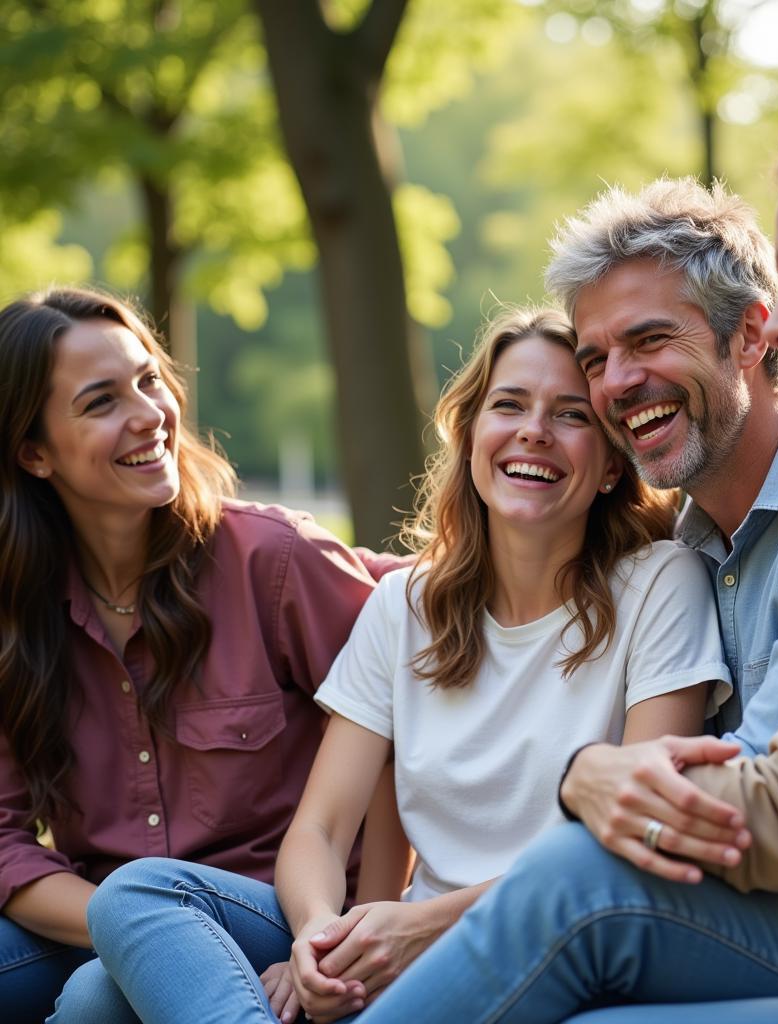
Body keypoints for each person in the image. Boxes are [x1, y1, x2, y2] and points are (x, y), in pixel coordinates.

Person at [349, 95, 778, 1021]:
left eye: (650, 339)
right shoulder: (696, 548)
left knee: (583, 883)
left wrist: (588, 786)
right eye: (597, 356)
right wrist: (587, 778)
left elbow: (763, 802)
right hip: (747, 924)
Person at [75, 306, 731, 1023]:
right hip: (393, 938)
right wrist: (322, 937)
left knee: (95, 1004)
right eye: (508, 404)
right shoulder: (405, 606)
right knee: (132, 899)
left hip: (545, 944)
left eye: (571, 415)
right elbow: (321, 830)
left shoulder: (659, 585)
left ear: (611, 465)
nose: (533, 429)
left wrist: (419, 929)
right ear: (473, 435)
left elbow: (634, 842)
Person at [0, 287, 412, 1023]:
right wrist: (143, 932)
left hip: (288, 914)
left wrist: (358, 940)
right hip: (117, 914)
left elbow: (399, 742)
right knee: (105, 955)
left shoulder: (272, 561)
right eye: (100, 403)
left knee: (96, 1000)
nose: (148, 414)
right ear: (34, 453)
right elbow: (3, 841)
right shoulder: (16, 616)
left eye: (148, 379)